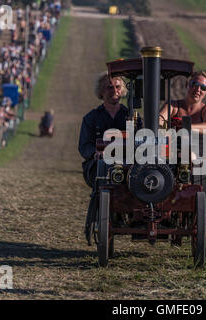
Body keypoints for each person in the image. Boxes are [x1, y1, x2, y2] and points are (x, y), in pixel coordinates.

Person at [159, 71, 206, 232]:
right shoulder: (173, 106)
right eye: (194, 84)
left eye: (203, 87)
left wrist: (186, 127)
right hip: (172, 155)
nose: (198, 89)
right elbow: (160, 119)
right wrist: (161, 123)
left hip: (199, 156)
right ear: (188, 85)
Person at [78, 72, 129, 244]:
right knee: (105, 168)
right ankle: (108, 213)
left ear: (123, 90)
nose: (114, 90)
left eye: (117, 86)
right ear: (101, 92)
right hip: (98, 165)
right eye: (109, 87)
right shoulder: (91, 118)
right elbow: (84, 146)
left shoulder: (131, 118)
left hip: (127, 166)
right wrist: (95, 153)